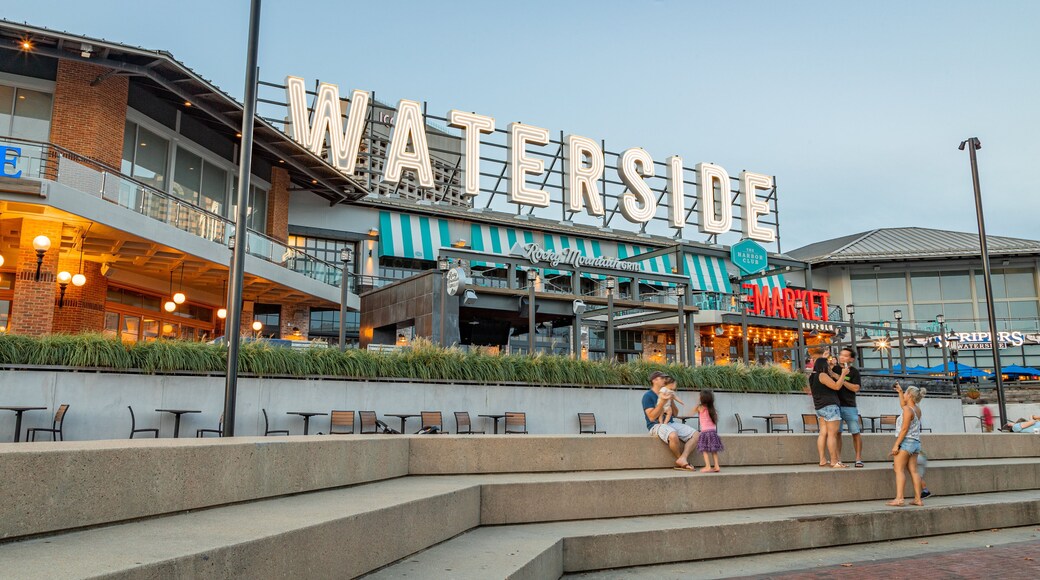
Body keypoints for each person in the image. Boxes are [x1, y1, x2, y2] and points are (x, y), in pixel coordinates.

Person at [642, 371, 699, 471]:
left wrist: (671, 400)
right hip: (655, 425)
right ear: (654, 380)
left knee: (696, 435)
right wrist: (662, 402)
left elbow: (675, 414)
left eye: (665, 378)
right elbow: (651, 417)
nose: (665, 380)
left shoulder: (668, 392)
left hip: (670, 423)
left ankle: (683, 458)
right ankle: (681, 460)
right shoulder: (648, 396)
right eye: (662, 378)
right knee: (673, 435)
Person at [887, 382, 926, 507]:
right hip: (916, 442)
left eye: (905, 392)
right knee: (914, 471)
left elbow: (904, 429)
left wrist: (896, 445)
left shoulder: (907, 410)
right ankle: (918, 499)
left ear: (909, 395)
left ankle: (899, 498)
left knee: (898, 470)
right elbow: (904, 405)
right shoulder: (917, 409)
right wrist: (899, 392)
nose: (903, 394)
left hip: (906, 442)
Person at [809, 353, 850, 468]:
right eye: (827, 365)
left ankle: (822, 460)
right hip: (830, 407)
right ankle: (834, 461)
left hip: (820, 407)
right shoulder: (822, 375)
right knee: (832, 435)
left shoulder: (813, 377)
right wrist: (843, 374)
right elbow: (837, 386)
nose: (829, 366)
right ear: (823, 366)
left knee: (823, 434)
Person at [831, 347, 863, 467]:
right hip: (835, 406)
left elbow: (856, 388)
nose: (842, 357)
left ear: (851, 359)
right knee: (837, 433)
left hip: (850, 405)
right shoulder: (834, 369)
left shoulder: (854, 371)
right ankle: (838, 459)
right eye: (841, 355)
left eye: (845, 355)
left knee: (855, 432)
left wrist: (841, 379)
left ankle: (858, 459)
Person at [694, 389, 723, 472]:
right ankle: (717, 466)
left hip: (705, 432)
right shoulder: (713, 410)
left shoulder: (700, 407)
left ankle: (708, 466)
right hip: (713, 432)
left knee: (704, 450)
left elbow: (692, 411)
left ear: (701, 398)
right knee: (714, 451)